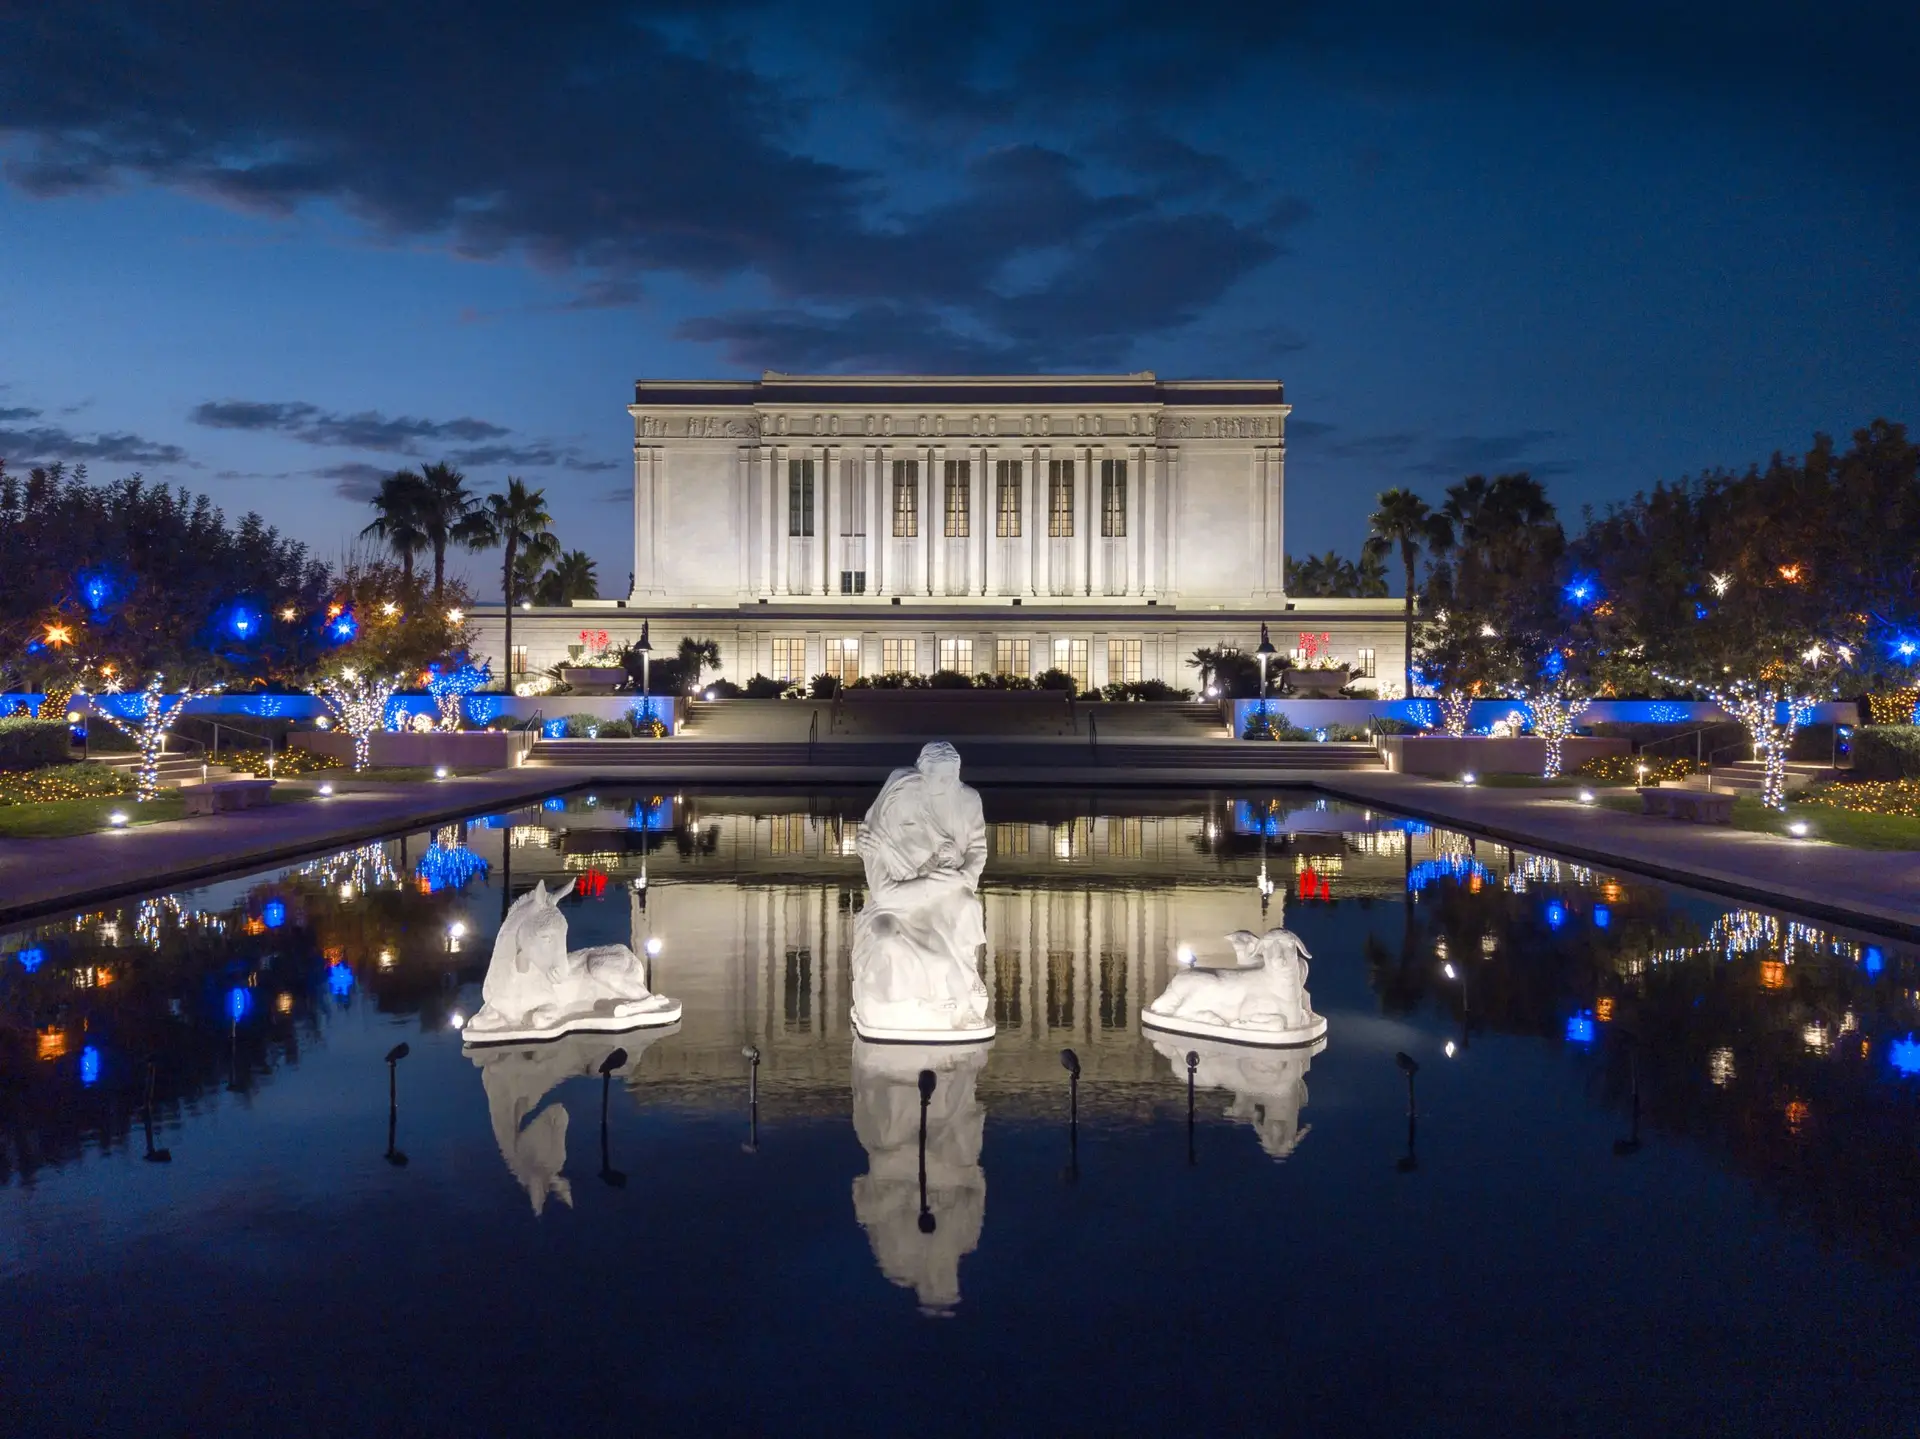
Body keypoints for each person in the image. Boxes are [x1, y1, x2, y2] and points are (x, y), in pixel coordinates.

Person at [852, 742, 990, 1031]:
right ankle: (932, 994)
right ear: (923, 774)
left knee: (966, 905)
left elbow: (977, 849)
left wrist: (963, 871)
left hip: (950, 886)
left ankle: (963, 980)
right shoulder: (902, 805)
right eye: (940, 778)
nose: (947, 784)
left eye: (952, 776)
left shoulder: (967, 799)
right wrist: (936, 880)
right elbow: (884, 885)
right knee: (892, 933)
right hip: (910, 895)